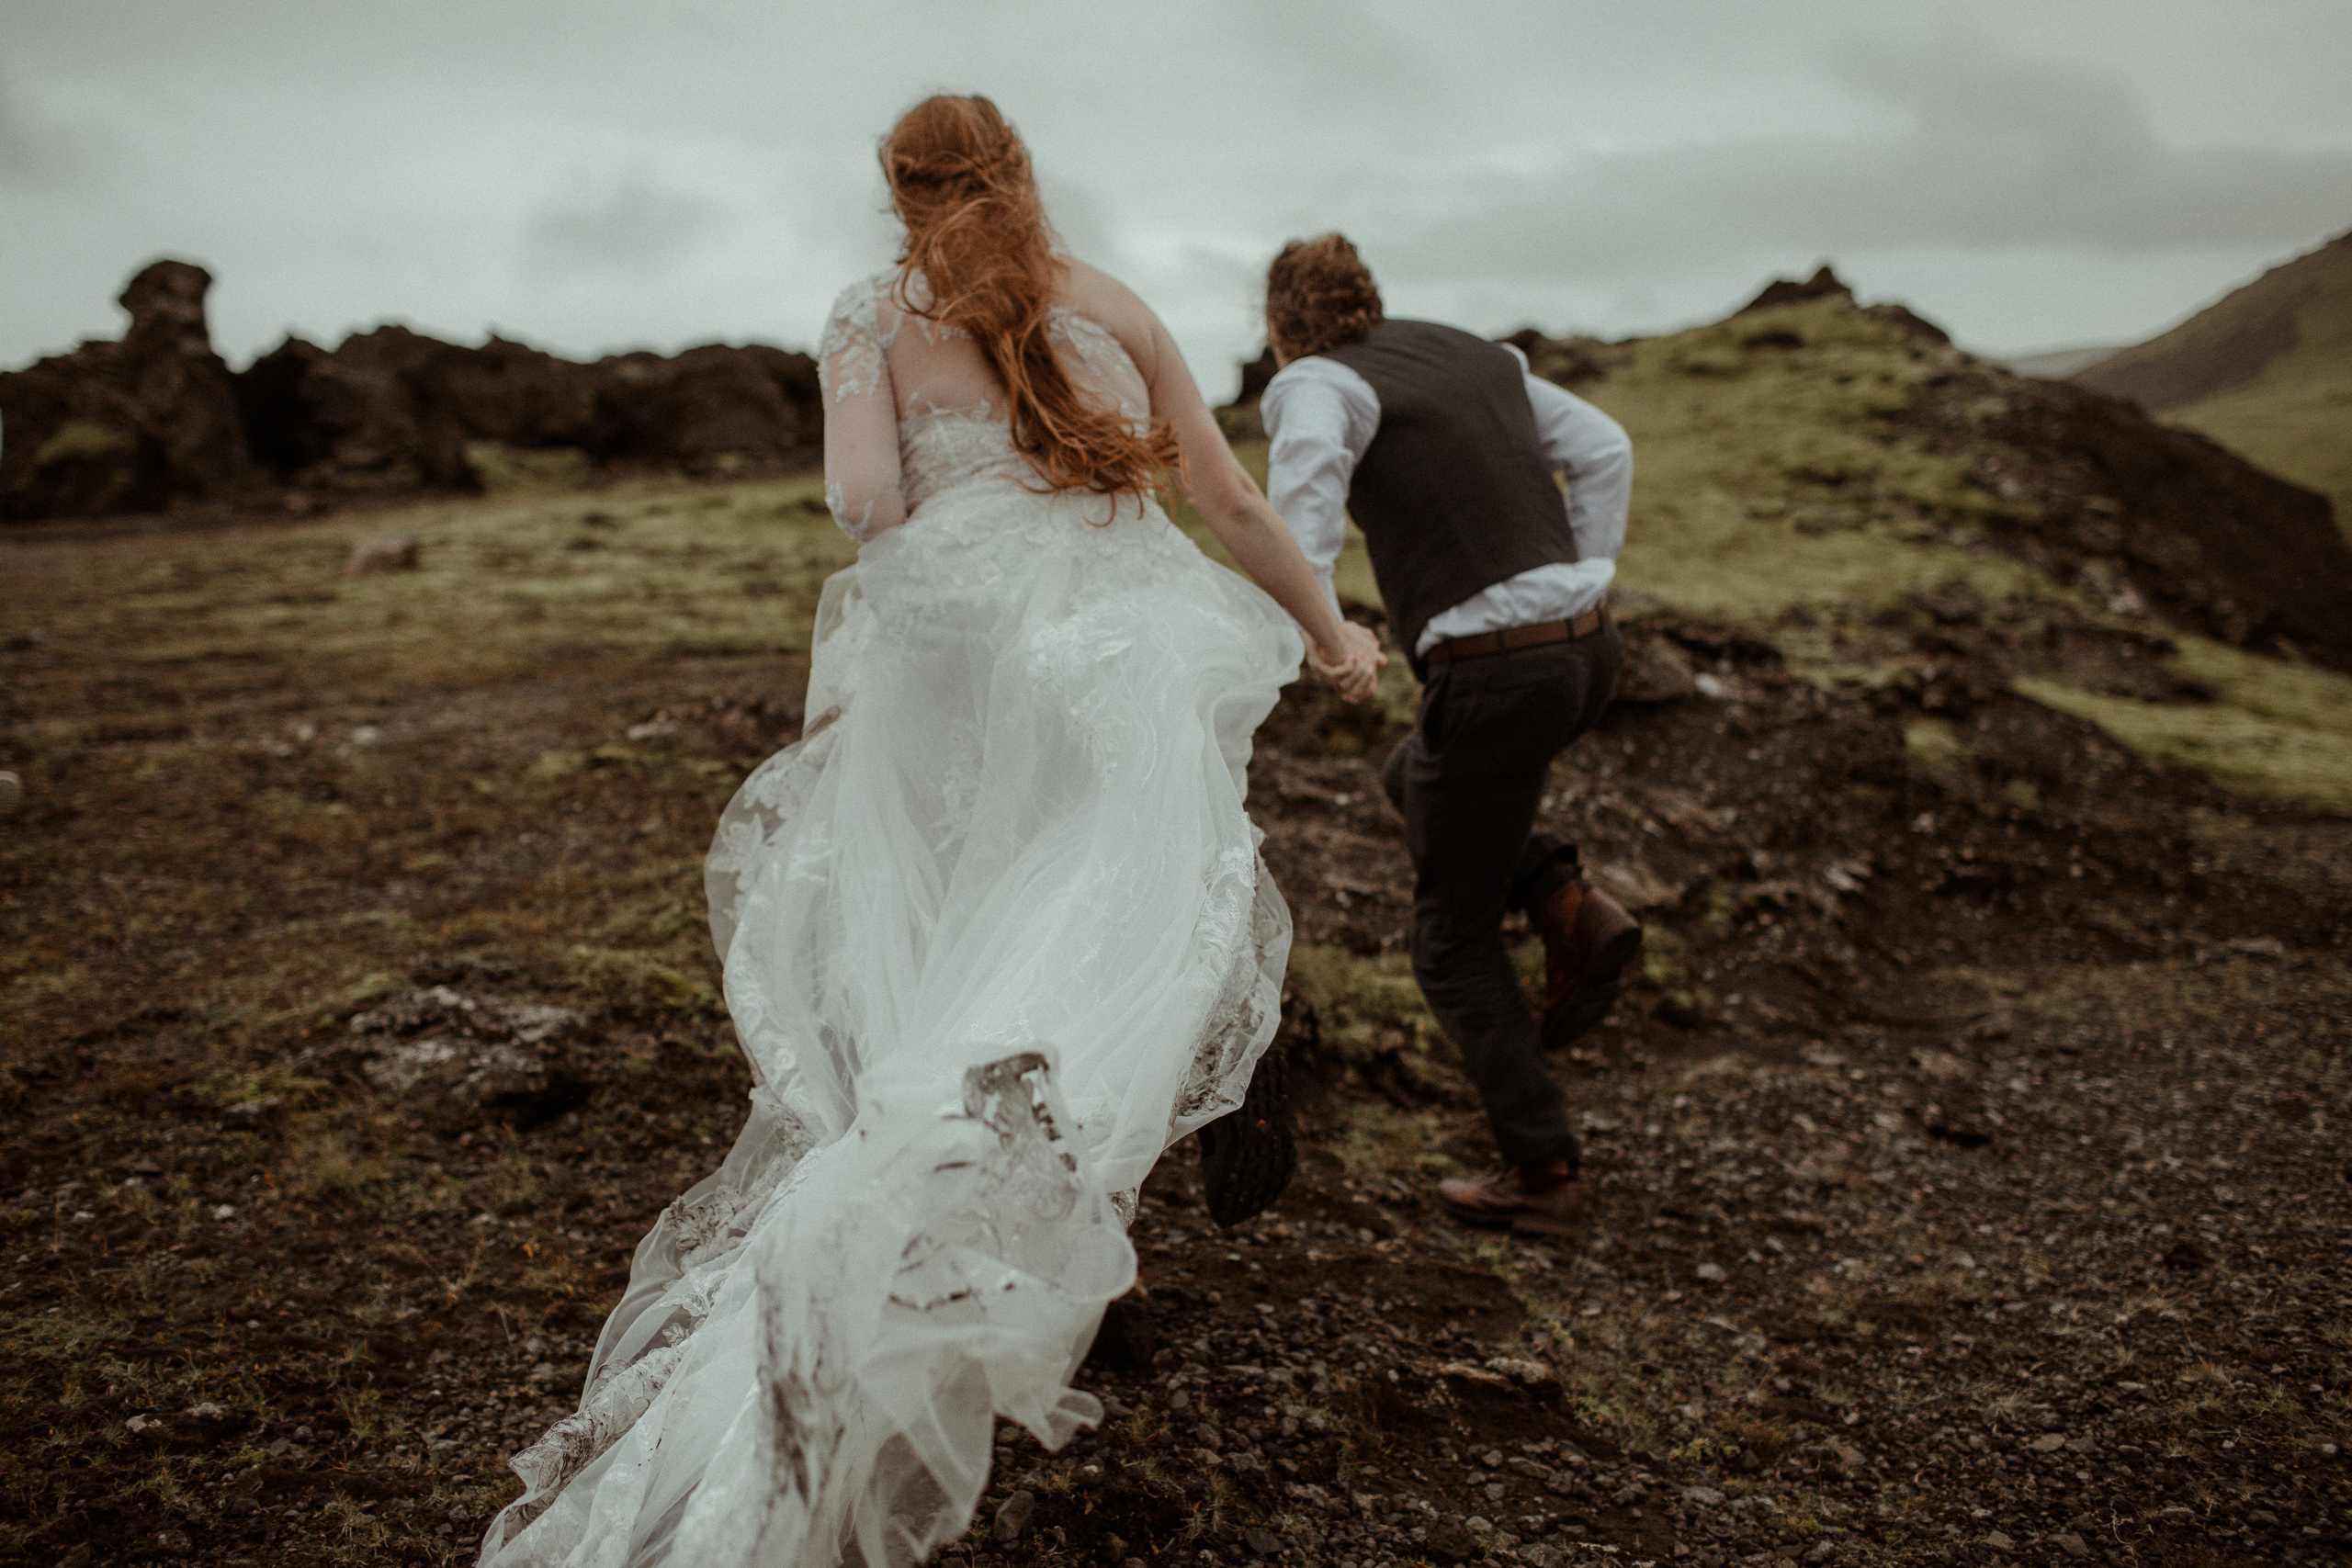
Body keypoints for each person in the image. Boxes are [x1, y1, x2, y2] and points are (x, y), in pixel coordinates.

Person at [475, 97, 1380, 1568]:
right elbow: (1222, 496)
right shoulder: (1117, 307)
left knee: (960, 936)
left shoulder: (869, 315)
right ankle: (1094, 1222)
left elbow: (863, 500)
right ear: (1020, 177)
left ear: (899, 196)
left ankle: (1030, 1231)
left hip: (960, 663)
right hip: (1120, 651)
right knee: (1110, 920)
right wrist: (1332, 636)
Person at [1258, 235, 1640, 1237]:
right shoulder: (1480, 354)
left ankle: (1542, 1170)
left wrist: (1322, 638)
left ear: (1278, 325)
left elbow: (1299, 524)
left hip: (1494, 674)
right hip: (1589, 650)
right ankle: (1561, 898)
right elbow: (1606, 449)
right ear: (1369, 297)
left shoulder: (1315, 382)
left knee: (1449, 937)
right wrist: (1574, 587)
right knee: (1414, 776)